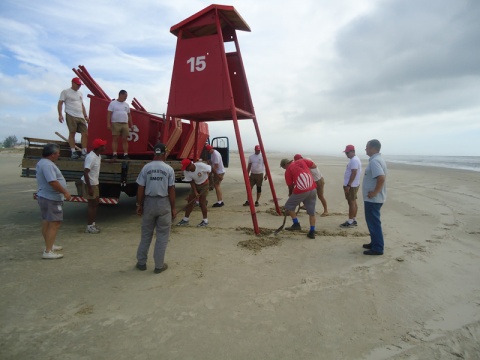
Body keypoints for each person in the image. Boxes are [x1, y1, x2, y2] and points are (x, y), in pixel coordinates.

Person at [135, 143, 176, 274]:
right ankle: (159, 265)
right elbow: (171, 190)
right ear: (164, 153)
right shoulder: (169, 169)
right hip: (164, 203)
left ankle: (141, 263)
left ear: (154, 153)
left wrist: (139, 205)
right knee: (162, 235)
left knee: (146, 234)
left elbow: (141, 188)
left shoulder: (146, 168)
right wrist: (173, 208)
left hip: (149, 202)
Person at [36, 143, 72, 259]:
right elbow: (53, 182)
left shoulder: (42, 163)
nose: (58, 155)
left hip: (45, 196)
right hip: (51, 198)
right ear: (52, 155)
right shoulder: (48, 165)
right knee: (55, 223)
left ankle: (49, 244)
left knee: (47, 220)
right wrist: (65, 192)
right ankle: (48, 251)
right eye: (57, 153)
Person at [280, 158, 317, 239]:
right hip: (312, 187)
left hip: (301, 190)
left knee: (289, 206)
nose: (284, 169)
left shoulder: (288, 170)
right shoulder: (302, 161)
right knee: (311, 212)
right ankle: (312, 232)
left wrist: (290, 194)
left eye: (283, 168)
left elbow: (290, 186)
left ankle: (296, 224)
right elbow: (314, 165)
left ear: (285, 164)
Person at [362, 139, 387, 255]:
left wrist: (375, 192)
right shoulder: (377, 160)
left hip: (373, 199)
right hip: (373, 199)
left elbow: (381, 178)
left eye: (367, 147)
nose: (365, 149)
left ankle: (378, 247)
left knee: (374, 222)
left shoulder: (375, 161)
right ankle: (374, 242)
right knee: (372, 221)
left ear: (373, 148)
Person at [58, 77, 89, 159]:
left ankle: (84, 151)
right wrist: (60, 114)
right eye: (78, 84)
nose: (79, 86)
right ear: (73, 83)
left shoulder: (80, 93)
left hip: (80, 115)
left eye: (80, 85)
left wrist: (85, 116)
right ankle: (73, 151)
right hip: (71, 114)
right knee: (72, 133)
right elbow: (60, 103)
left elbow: (82, 105)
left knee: (85, 133)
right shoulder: (65, 92)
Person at [81, 138, 107, 234]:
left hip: (95, 183)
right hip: (90, 184)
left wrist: (110, 161)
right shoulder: (91, 157)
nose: (104, 147)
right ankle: (89, 226)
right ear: (98, 147)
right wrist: (90, 188)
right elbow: (85, 173)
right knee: (92, 206)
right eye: (103, 145)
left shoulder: (97, 155)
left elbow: (100, 161)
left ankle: (92, 224)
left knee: (95, 204)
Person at [176, 159, 211, 227]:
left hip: (205, 185)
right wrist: (195, 192)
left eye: (186, 167)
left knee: (202, 203)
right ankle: (185, 219)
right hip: (195, 184)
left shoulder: (201, 165)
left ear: (190, 165)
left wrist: (209, 178)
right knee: (190, 202)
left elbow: (210, 169)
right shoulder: (186, 171)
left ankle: (205, 221)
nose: (186, 169)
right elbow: (191, 181)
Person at [107, 90, 133, 160]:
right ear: (120, 95)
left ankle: (126, 154)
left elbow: (129, 115)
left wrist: (131, 124)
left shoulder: (126, 105)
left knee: (125, 139)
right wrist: (108, 123)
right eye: (125, 96)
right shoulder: (113, 103)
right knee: (115, 139)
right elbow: (109, 113)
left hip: (125, 123)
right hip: (116, 123)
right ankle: (114, 154)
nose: (125, 98)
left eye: (126, 97)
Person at [340, 144, 362, 228]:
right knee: (353, 201)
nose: (346, 154)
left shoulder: (354, 160)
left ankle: (350, 221)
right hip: (353, 184)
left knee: (351, 202)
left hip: (351, 185)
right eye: (346, 153)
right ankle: (353, 219)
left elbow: (354, 172)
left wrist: (348, 185)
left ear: (353, 152)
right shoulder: (354, 159)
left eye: (347, 152)